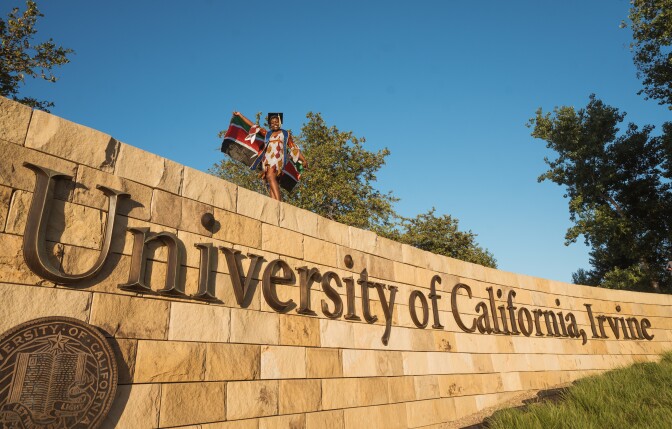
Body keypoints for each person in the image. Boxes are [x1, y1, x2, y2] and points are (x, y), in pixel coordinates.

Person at [232, 112, 307, 201]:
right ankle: (273, 203)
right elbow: (253, 126)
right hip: (267, 159)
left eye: (276, 122)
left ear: (279, 123)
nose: (275, 124)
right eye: (272, 123)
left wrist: (303, 160)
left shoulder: (285, 134)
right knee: (270, 180)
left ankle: (278, 202)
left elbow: (293, 148)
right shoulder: (267, 134)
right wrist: (240, 115)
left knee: (270, 176)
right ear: (270, 125)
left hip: (278, 159)